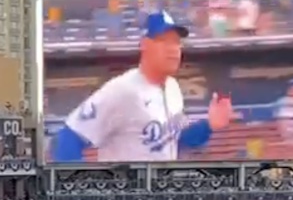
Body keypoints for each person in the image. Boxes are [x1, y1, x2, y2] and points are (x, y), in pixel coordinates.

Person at [50, 10, 236, 163]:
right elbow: (66, 141)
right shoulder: (122, 90)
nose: (173, 49)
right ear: (145, 45)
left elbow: (176, 142)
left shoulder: (173, 88)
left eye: (176, 42)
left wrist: (210, 125)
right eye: (164, 41)